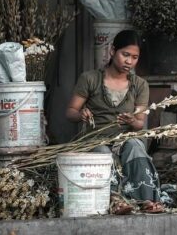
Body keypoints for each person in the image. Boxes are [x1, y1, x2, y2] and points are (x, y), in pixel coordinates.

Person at [66, 30, 163, 214]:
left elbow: (139, 124)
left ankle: (146, 200)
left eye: (135, 57)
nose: (129, 62)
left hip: (124, 139)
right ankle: (115, 201)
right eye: (125, 54)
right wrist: (81, 115)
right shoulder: (90, 79)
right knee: (102, 153)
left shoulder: (140, 85)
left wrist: (132, 120)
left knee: (135, 145)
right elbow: (70, 112)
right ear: (112, 51)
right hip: (96, 138)